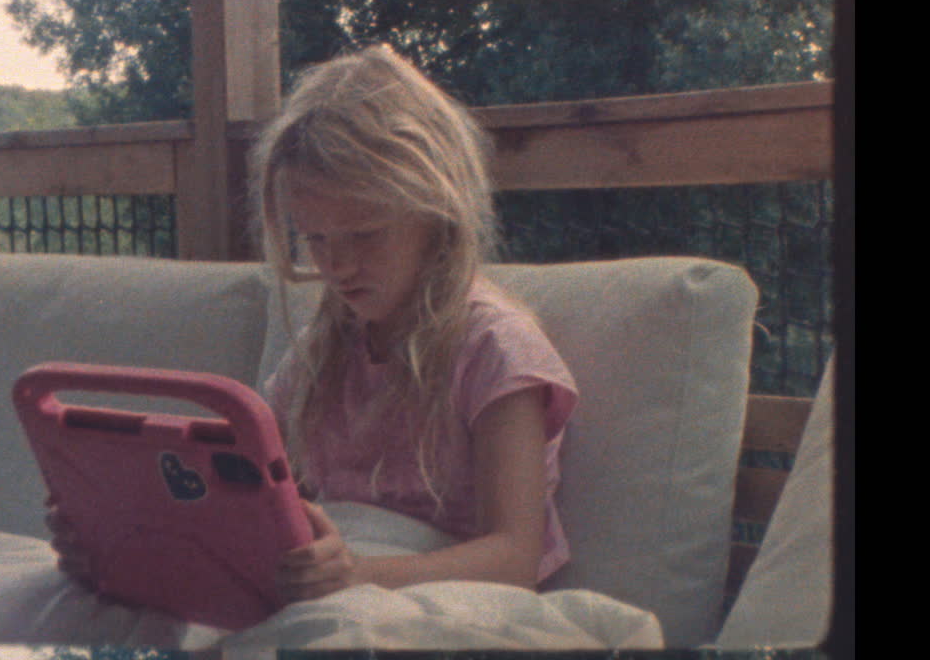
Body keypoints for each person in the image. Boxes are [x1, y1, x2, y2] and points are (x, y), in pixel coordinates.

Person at [49, 43, 578, 607]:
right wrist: (122, 539)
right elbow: (248, 501)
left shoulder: (493, 350)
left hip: (444, 603)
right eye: (316, 238)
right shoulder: (322, 355)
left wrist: (359, 575)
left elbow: (514, 560)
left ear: (436, 210)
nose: (338, 266)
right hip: (335, 592)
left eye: (365, 234)